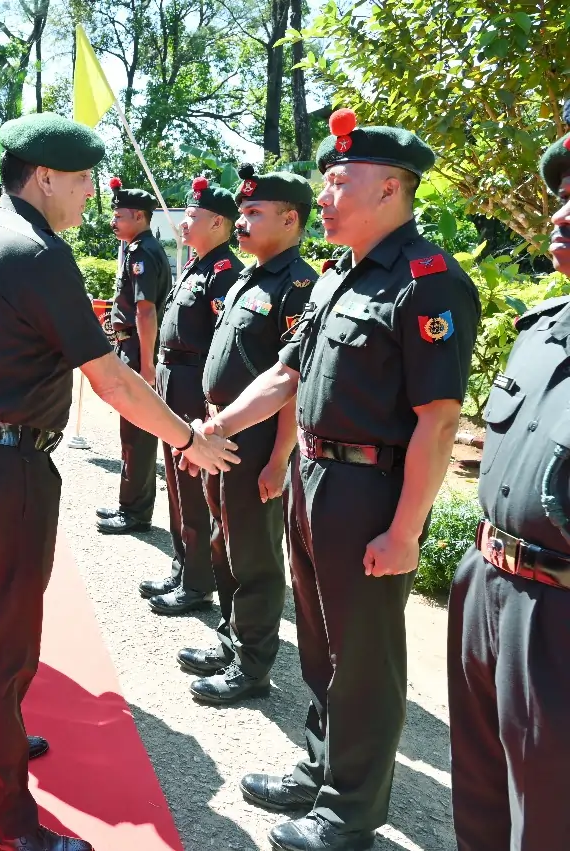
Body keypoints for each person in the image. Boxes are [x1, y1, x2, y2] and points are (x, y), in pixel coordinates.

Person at [0, 112, 239, 851]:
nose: (93, 194)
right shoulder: (39, 252)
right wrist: (187, 438)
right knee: (7, 649)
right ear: (44, 177)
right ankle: (5, 823)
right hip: (9, 470)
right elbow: (112, 379)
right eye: (83, 179)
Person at [198, 109, 479, 851]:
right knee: (320, 640)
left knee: (364, 653)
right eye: (323, 181)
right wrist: (218, 426)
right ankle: (324, 767)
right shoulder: (336, 278)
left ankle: (352, 810)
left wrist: (406, 527)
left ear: (390, 189)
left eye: (337, 181)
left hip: (370, 489)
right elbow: (286, 374)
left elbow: (439, 422)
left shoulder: (427, 283)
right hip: (314, 473)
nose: (323, 196)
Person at [446, 113, 570, 850]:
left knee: (549, 821)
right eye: (561, 194)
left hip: (559, 616)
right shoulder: (539, 327)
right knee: (485, 803)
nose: (559, 211)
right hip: (488, 587)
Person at [181, 167, 318, 705]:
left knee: (255, 555)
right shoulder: (249, 277)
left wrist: (279, 457)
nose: (242, 221)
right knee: (223, 542)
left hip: (257, 442)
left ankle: (252, 666)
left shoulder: (297, 285)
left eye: (254, 213)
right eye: (241, 212)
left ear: (290, 219)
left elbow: (293, 381)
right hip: (225, 431)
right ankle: (231, 637)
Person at [142, 175, 243, 610]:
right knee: (177, 483)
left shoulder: (224, 273)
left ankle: (198, 581)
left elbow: (222, 345)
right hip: (173, 382)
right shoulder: (196, 265)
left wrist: (207, 404)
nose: (183, 223)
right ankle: (183, 566)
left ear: (219, 223)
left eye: (192, 215)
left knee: (194, 485)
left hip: (194, 389)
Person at [95, 177, 172, 535]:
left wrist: (145, 364)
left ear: (139, 216)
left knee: (139, 433)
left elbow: (145, 311)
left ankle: (136, 513)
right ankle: (130, 505)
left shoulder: (142, 252)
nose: (113, 221)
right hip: (131, 345)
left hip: (139, 349)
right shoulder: (135, 247)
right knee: (132, 432)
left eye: (119, 215)